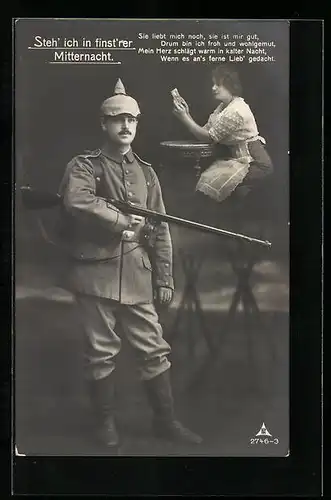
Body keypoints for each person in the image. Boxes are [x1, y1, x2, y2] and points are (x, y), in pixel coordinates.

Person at [58, 79, 202, 448]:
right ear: (103, 124)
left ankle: (165, 422)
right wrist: (122, 222)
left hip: (137, 273)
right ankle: (105, 425)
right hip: (94, 270)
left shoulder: (148, 173)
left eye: (132, 120)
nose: (126, 126)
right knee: (101, 351)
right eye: (118, 119)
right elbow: (77, 200)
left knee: (153, 348)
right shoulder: (84, 165)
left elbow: (161, 227)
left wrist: (164, 276)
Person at [172, 64, 273, 226]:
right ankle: (209, 225)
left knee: (224, 188)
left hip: (256, 161)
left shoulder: (236, 110)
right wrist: (187, 114)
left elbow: (209, 138)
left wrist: (184, 118)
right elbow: (204, 132)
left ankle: (230, 229)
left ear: (230, 85)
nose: (213, 88)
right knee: (208, 181)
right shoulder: (223, 108)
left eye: (218, 84)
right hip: (238, 159)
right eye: (213, 83)